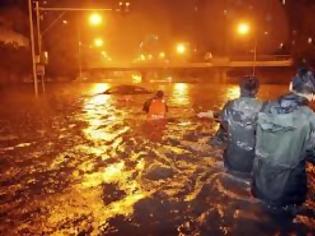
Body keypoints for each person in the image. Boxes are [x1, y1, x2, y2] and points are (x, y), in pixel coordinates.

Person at [252, 68, 315, 213]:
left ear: (291, 86)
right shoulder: (310, 118)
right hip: (288, 195)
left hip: (259, 185)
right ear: (312, 96)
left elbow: (256, 135)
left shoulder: (265, 107)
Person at [198, 76, 262, 174]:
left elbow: (223, 122)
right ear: (257, 89)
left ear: (240, 88)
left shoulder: (231, 105)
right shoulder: (265, 108)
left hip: (232, 161)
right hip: (255, 164)